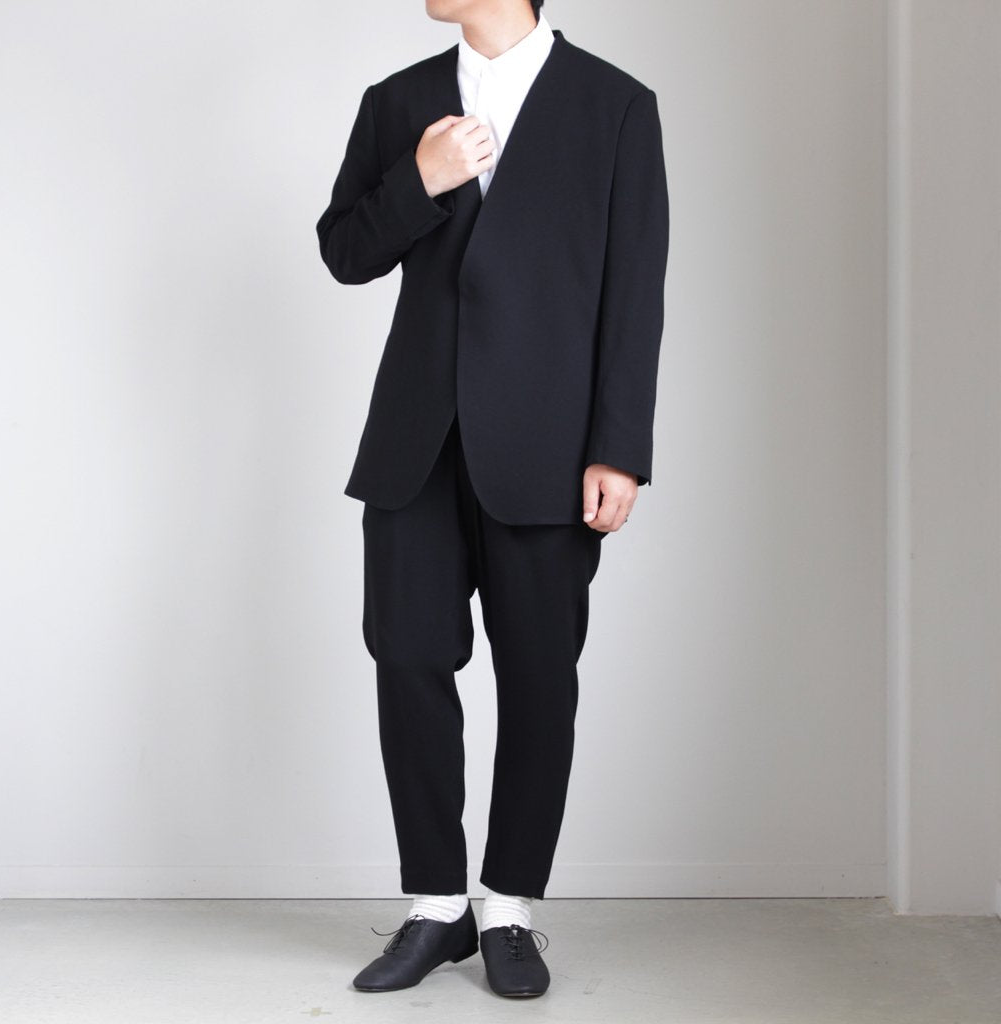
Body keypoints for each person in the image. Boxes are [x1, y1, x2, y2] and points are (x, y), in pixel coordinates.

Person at [316, 0, 668, 999]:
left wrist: (619, 449)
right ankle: (437, 906)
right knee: (407, 657)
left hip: (550, 450)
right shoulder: (398, 102)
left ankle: (509, 906)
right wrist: (418, 181)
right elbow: (344, 252)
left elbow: (634, 288)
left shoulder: (613, 106)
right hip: (416, 443)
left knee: (539, 679)